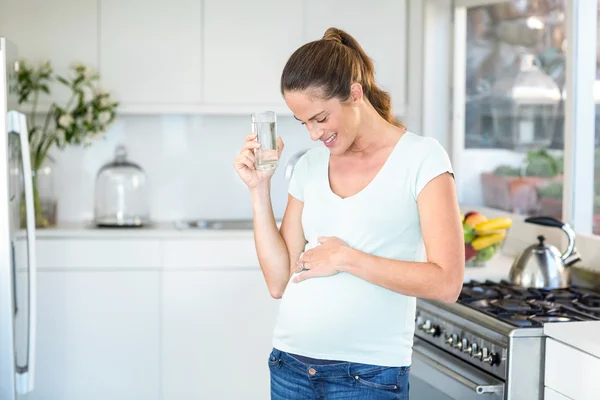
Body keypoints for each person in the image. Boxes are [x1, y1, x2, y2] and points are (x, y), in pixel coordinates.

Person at [234, 27, 464, 400]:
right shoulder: (310, 165)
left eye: (320, 118)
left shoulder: (421, 158)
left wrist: (347, 259)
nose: (312, 134)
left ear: (355, 93)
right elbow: (278, 281)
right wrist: (259, 190)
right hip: (290, 366)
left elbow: (447, 282)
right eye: (303, 122)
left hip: (369, 376)